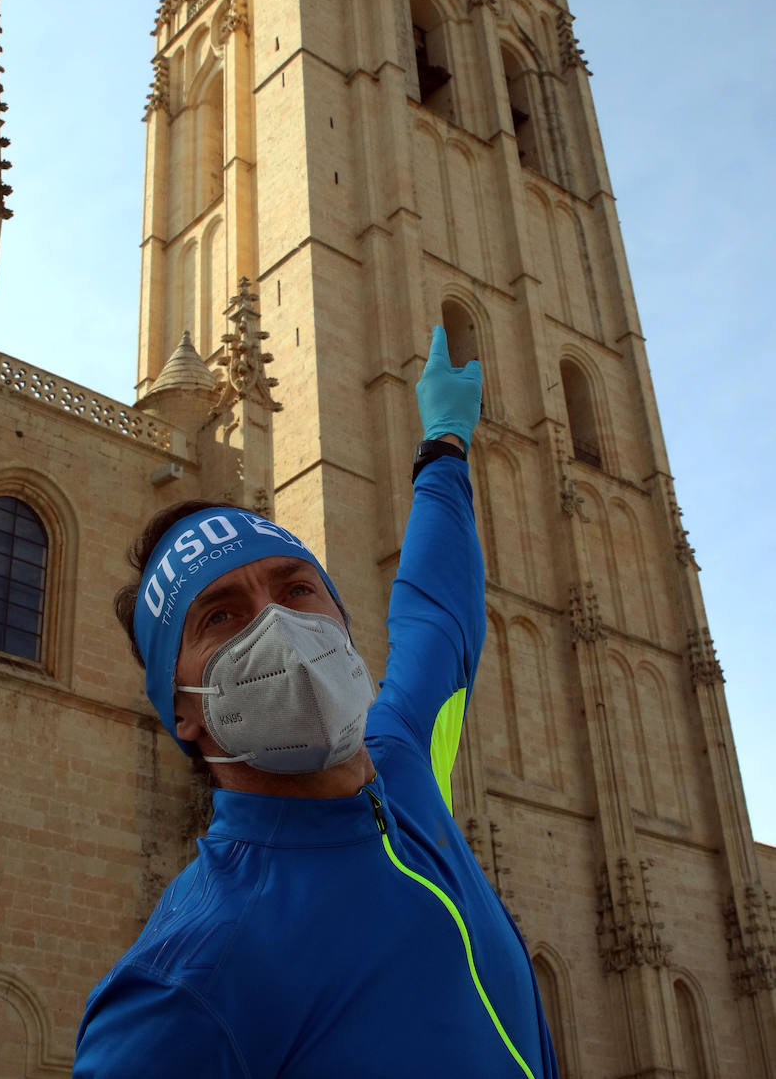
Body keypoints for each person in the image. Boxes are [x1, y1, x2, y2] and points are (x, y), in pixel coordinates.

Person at [74, 328, 559, 1078]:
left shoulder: (400, 758)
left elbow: (438, 613)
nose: (279, 624)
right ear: (183, 709)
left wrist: (444, 444)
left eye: (297, 589)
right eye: (223, 616)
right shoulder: (185, 985)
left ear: (340, 623)